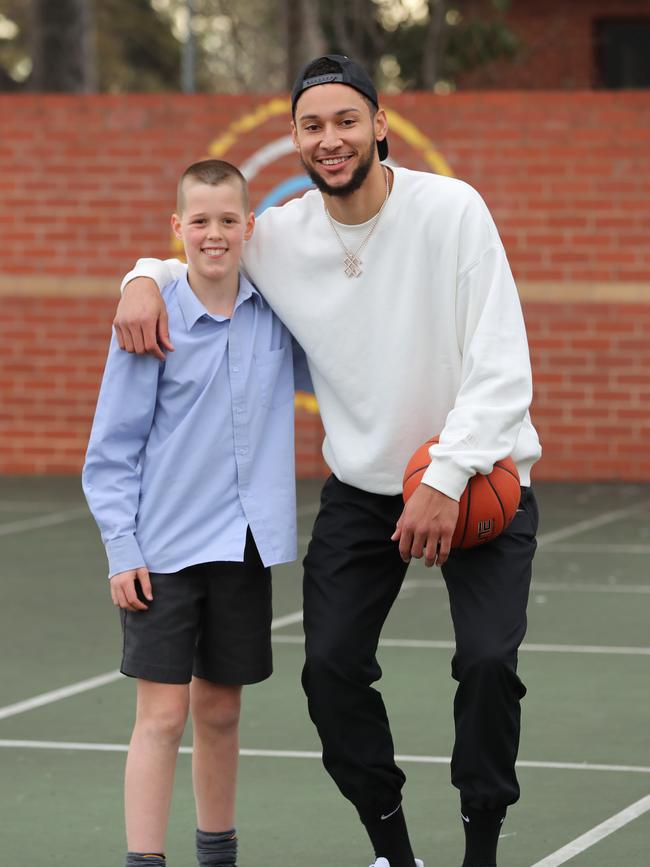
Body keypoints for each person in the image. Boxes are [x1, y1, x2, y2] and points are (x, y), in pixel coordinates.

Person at [113, 56, 542, 867]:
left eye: (347, 120)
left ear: (379, 125)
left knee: (486, 662)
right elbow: (204, 254)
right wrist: (143, 275)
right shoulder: (280, 236)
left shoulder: (452, 210)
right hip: (366, 489)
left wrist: (447, 476)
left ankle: (481, 847)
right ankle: (395, 851)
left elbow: (502, 365)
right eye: (312, 126)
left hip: (480, 478)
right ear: (297, 141)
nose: (331, 138)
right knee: (330, 671)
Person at [83, 158, 297, 867]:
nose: (214, 234)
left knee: (222, 711)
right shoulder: (150, 321)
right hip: (163, 551)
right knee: (163, 715)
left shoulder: (277, 313)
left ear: (249, 227)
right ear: (177, 230)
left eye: (228, 220)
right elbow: (111, 451)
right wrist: (122, 547)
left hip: (242, 547)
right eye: (199, 221)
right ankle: (144, 859)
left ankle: (218, 857)